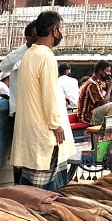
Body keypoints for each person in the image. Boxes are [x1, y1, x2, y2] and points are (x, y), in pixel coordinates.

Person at [11, 10, 74, 191]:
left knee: (26, 192)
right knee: (45, 195)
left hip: (28, 134)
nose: (60, 33)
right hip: (43, 134)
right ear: (54, 31)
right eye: (60, 29)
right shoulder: (46, 56)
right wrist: (56, 125)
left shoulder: (29, 55)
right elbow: (49, 96)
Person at [0, 20, 37, 121]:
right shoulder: (19, 54)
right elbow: (3, 66)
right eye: (35, 37)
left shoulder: (43, 55)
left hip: (36, 110)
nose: (38, 40)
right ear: (28, 38)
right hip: (21, 111)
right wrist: (26, 49)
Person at [76, 60, 112, 126]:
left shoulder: (97, 83)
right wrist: (109, 89)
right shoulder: (93, 84)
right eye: (107, 71)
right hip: (87, 116)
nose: (109, 74)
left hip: (92, 113)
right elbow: (102, 102)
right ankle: (106, 133)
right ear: (100, 72)